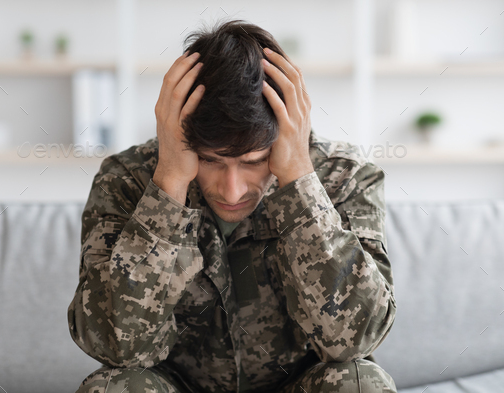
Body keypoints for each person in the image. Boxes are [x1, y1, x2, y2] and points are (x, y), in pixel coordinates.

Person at [67, 19, 397, 393]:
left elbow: (358, 341)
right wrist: (169, 185)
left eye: (254, 161)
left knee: (360, 384)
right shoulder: (127, 179)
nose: (232, 190)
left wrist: (299, 180)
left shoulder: (346, 178)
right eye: (211, 160)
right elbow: (113, 346)